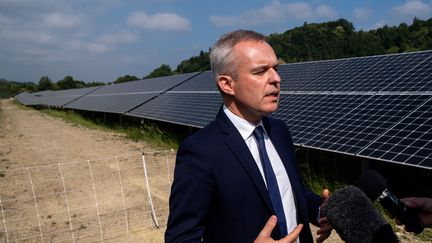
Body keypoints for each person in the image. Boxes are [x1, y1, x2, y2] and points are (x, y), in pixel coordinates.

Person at [165, 29, 332, 243]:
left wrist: (321, 211)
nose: (276, 79)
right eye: (261, 71)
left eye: (276, 68)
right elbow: (181, 238)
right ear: (227, 84)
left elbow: (292, 191)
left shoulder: (279, 131)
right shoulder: (200, 151)